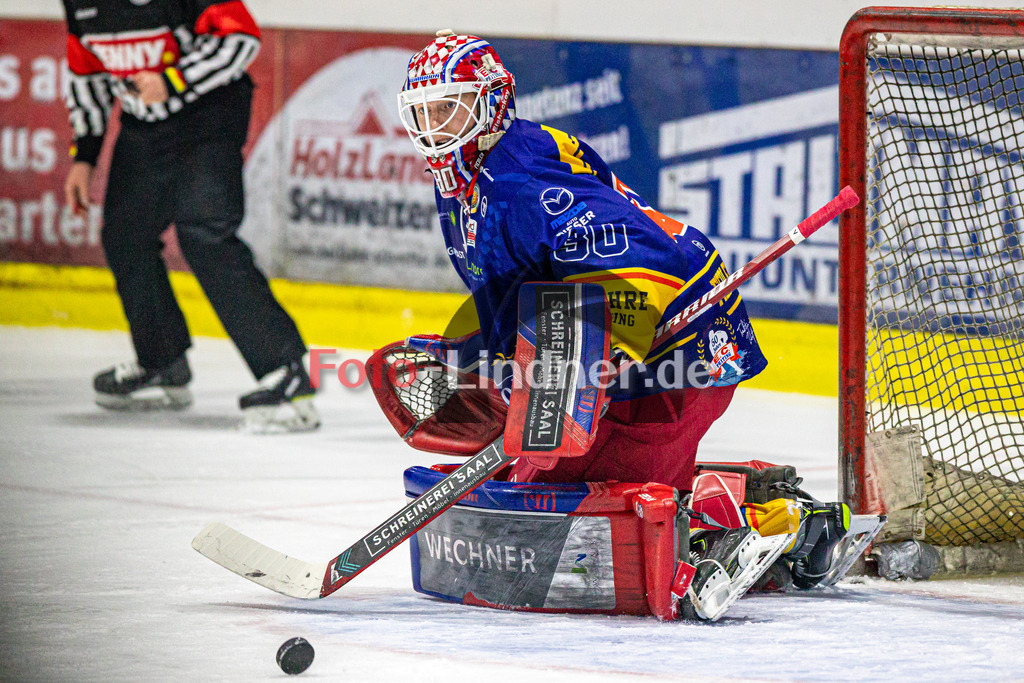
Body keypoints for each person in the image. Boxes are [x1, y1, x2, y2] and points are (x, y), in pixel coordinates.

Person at [394, 31, 866, 613]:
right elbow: (511, 289)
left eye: (447, 108)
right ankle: (739, 504)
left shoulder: (522, 184)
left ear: (492, 101)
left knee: (576, 505)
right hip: (618, 345)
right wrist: (484, 362)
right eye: (422, 113)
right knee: (539, 484)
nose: (434, 128)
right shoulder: (465, 179)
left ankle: (774, 528)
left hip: (683, 348)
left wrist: (609, 340)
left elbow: (647, 257)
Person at [61, 0, 317, 432]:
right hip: (145, 124)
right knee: (125, 234)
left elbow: (241, 39)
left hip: (209, 115)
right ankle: (162, 362)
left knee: (204, 232)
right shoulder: (80, 5)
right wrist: (84, 156)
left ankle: (285, 372)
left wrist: (173, 79)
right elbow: (86, 75)